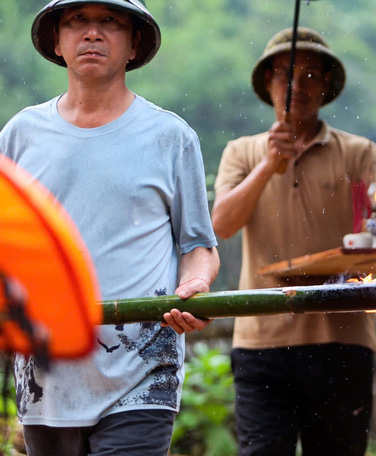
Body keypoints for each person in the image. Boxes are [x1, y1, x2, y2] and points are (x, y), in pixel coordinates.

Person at [0, 1, 219, 454]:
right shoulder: (19, 136)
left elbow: (199, 244)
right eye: (77, 21)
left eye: (110, 22)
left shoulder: (170, 137)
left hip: (141, 373)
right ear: (57, 41)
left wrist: (195, 283)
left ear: (134, 42)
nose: (92, 33)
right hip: (47, 373)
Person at [211, 27, 376, 456]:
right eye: (286, 74)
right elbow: (221, 224)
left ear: (328, 85)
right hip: (261, 341)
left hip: (343, 338)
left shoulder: (358, 152)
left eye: (312, 74)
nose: (297, 85)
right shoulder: (242, 152)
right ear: (268, 83)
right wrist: (268, 164)